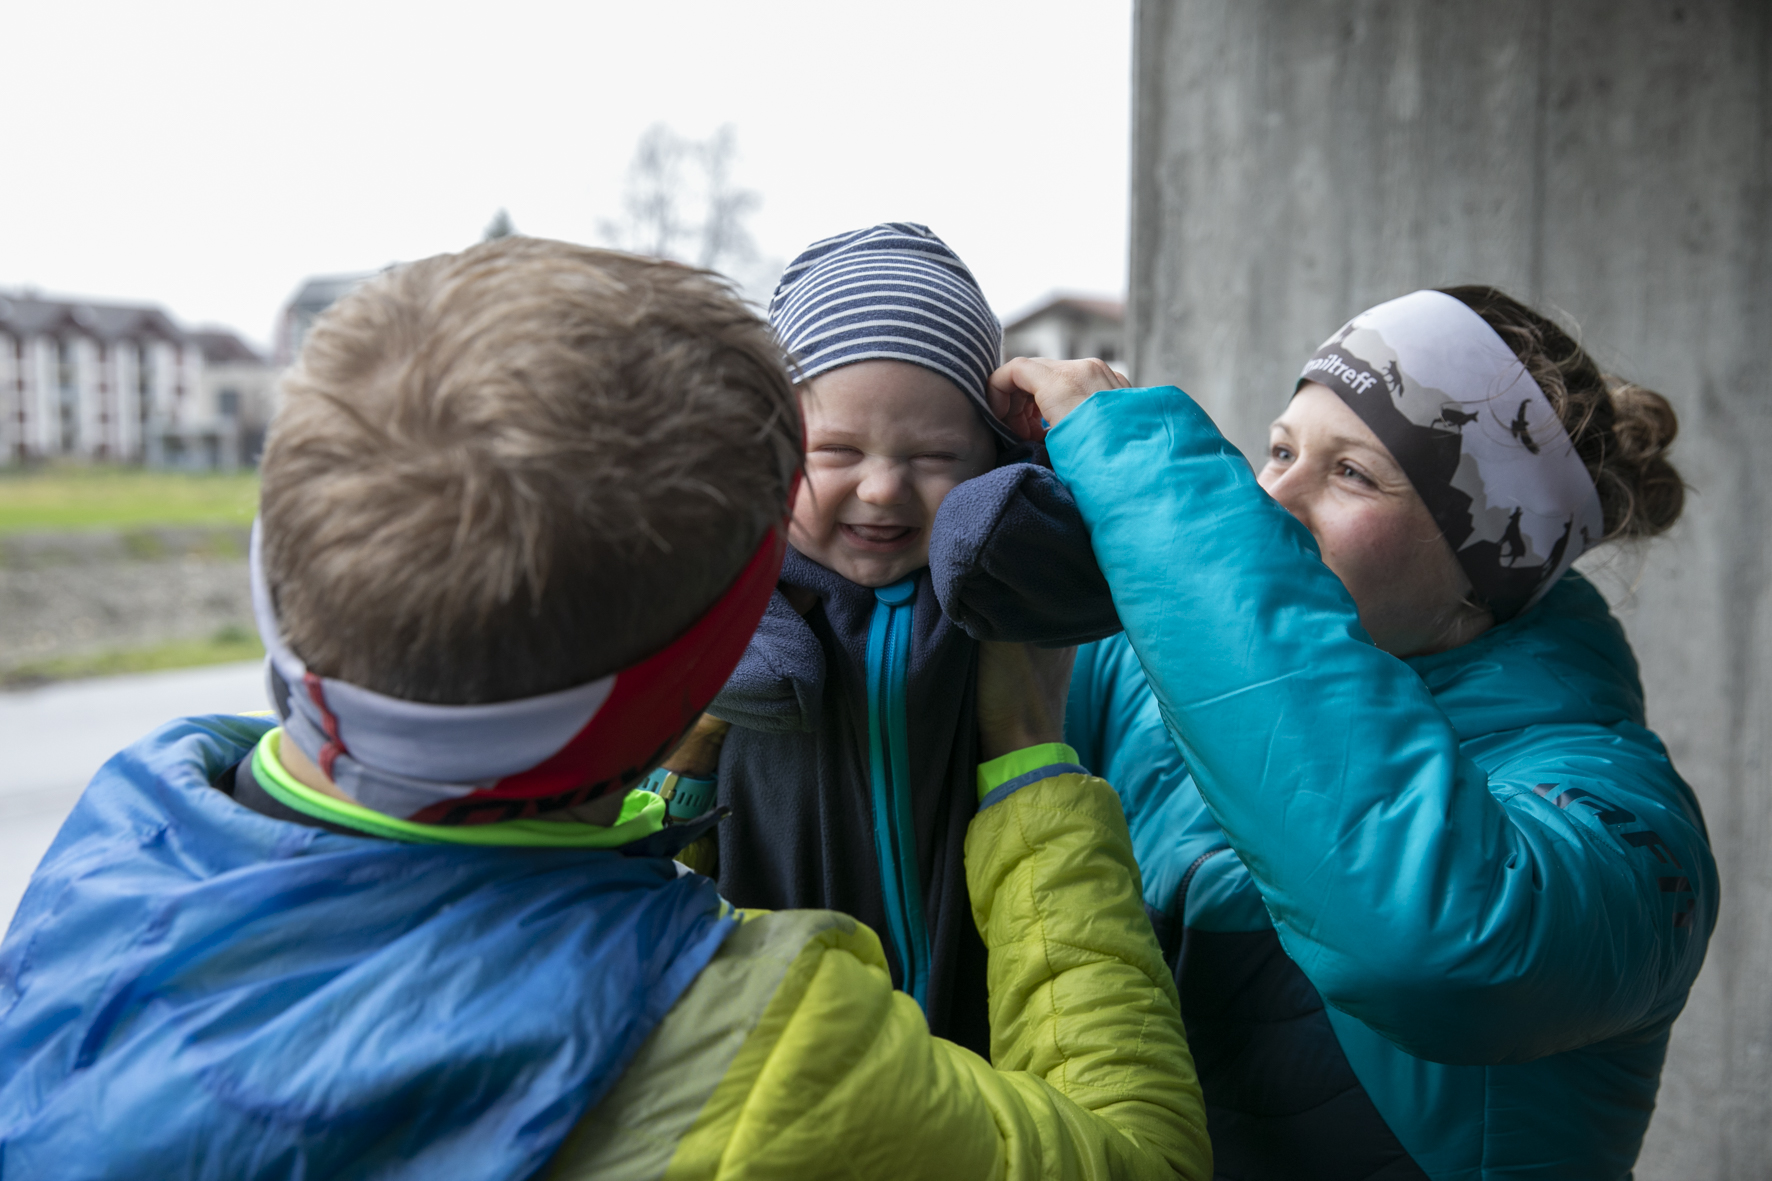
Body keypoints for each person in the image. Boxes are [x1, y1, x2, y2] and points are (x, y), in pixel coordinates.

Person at [0, 238, 1211, 1180]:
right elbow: (1137, 1157)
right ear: (723, 656)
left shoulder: (125, 826)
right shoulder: (753, 1045)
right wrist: (1028, 753)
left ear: (283, 567)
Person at [982, 287, 1717, 1180]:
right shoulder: (1149, 677)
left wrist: (1153, 474)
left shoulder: (1622, 813)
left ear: (1483, 576)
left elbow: (1437, 942)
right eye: (1281, 449)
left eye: (1353, 473)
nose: (1272, 498)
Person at [672, 222, 1111, 1053]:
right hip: (776, 1016)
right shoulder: (730, 579)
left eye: (938, 456)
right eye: (837, 449)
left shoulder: (985, 587)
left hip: (981, 1005)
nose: (882, 489)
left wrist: (1053, 473)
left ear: (992, 454)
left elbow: (1097, 570)